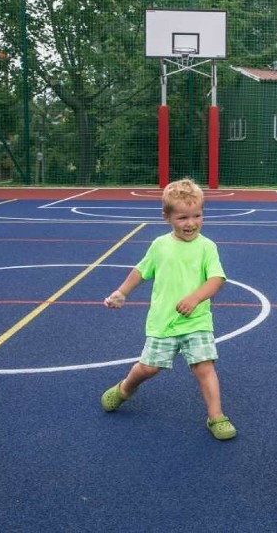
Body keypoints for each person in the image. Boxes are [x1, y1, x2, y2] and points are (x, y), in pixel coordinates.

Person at [101, 178, 236, 440]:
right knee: (149, 368)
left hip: (196, 321)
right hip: (163, 321)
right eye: (183, 217)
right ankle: (125, 389)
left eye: (197, 215)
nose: (191, 223)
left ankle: (216, 416)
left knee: (203, 366)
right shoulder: (160, 245)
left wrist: (196, 298)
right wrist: (121, 292)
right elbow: (141, 271)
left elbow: (216, 279)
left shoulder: (207, 247)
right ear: (167, 217)